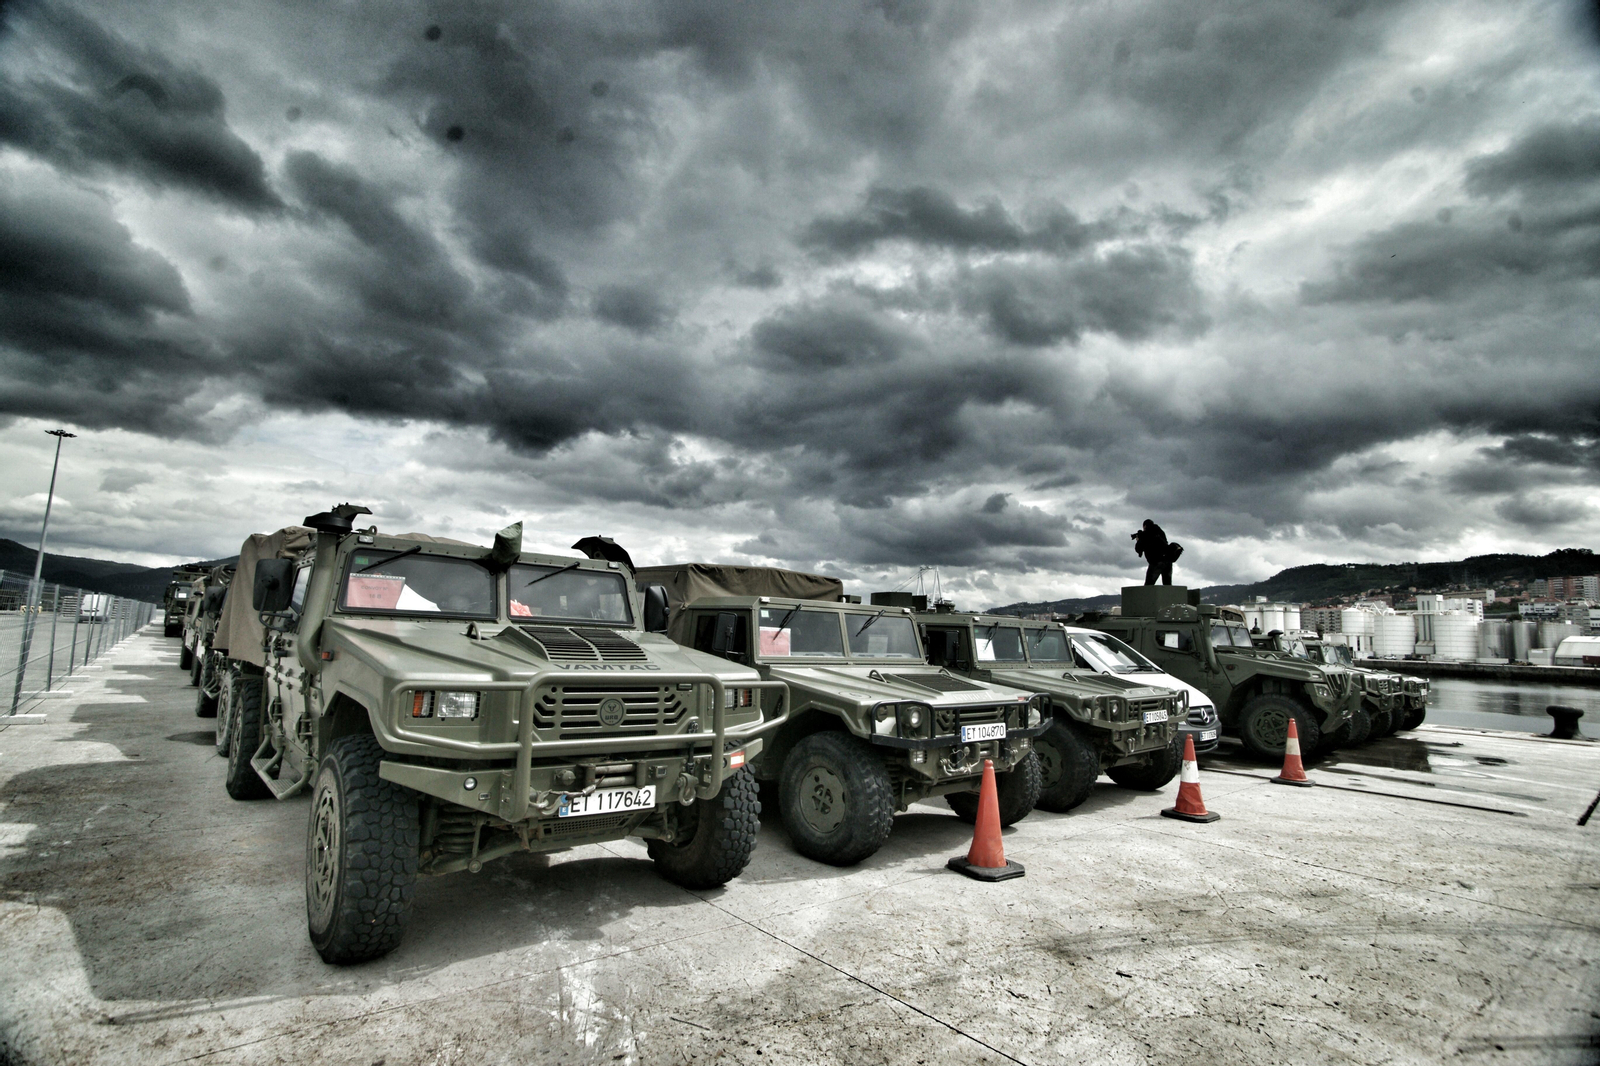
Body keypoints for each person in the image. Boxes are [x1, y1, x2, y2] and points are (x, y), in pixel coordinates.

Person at [1132, 519, 1173, 586]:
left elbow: (1138, 549)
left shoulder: (1145, 534)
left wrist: (1138, 540)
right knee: (1167, 586)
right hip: (1167, 560)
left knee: (1148, 586)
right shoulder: (1160, 531)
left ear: (1144, 526)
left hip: (1156, 562)